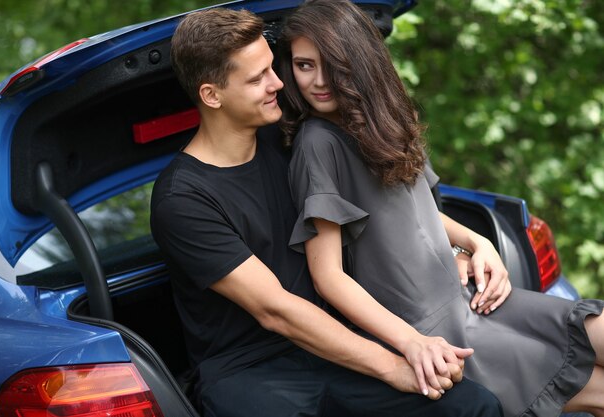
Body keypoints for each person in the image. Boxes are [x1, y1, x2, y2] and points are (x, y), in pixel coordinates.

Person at [151, 6, 503, 417]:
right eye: (258, 77)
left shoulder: (288, 141)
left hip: (335, 343)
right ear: (211, 95)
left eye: (272, 67)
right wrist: (398, 362)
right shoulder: (183, 198)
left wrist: (464, 246)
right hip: (249, 371)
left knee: (472, 406)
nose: (278, 83)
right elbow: (276, 310)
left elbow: (389, 209)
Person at [278, 1, 604, 416]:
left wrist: (476, 242)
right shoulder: (316, 143)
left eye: (332, 65)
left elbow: (418, 214)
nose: (318, 81)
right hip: (428, 327)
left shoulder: (383, 119)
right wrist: (412, 343)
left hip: (465, 296)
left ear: (359, 61)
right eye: (304, 66)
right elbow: (328, 278)